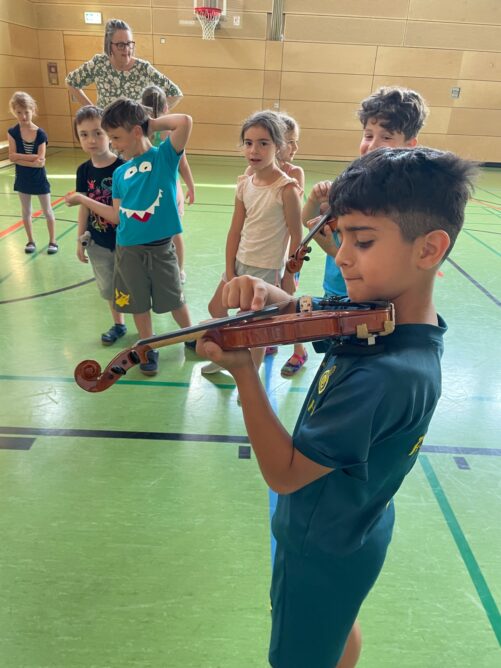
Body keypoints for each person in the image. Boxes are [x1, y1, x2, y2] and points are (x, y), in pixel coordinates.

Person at [197, 146, 477, 668]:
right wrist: (272, 295)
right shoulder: (386, 321)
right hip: (358, 528)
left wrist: (245, 372)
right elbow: (318, 313)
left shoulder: (384, 376)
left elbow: (284, 474)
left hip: (318, 545)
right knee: (337, 626)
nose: (342, 255)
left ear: (429, 249)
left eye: (362, 240)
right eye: (340, 235)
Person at [65, 98, 194, 375]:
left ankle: (191, 335)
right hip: (129, 250)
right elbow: (116, 215)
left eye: (116, 137)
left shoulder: (163, 157)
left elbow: (184, 122)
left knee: (175, 299)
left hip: (161, 250)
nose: (113, 144)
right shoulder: (120, 173)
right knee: (137, 303)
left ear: (136, 132)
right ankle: (148, 346)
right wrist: (84, 200)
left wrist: (149, 124)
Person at [303, 86, 429, 300]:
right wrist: (314, 200)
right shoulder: (352, 183)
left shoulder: (401, 201)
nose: (372, 146)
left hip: (368, 300)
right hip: (334, 292)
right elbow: (309, 220)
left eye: (386, 137)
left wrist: (332, 250)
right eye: (368, 135)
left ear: (409, 145)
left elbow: (383, 268)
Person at [201, 110, 302, 377]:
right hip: (240, 262)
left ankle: (251, 377)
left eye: (263, 143)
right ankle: (225, 355)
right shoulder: (245, 184)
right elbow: (235, 231)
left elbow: (297, 236)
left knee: (256, 329)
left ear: (278, 146)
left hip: (266, 269)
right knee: (216, 308)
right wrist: (230, 269)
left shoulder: (287, 189)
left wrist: (289, 275)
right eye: (248, 143)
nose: (254, 150)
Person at [72, 105, 126, 345]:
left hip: (126, 241)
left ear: (109, 134)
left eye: (97, 133)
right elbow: (84, 207)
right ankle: (119, 324)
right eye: (84, 134)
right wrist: (80, 239)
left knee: (132, 286)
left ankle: (145, 327)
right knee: (108, 287)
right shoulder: (83, 171)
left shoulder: (122, 167)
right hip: (99, 242)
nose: (91, 140)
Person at [141, 85, 195, 284]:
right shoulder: (168, 132)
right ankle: (179, 270)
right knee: (174, 231)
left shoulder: (143, 131)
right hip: (169, 186)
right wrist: (191, 186)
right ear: (166, 108)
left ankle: (161, 269)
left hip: (150, 187)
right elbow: (183, 163)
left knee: (152, 228)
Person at [66, 18, 182, 110]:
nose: (126, 49)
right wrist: (93, 111)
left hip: (134, 130)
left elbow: (175, 93)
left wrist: (151, 115)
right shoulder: (99, 64)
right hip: (107, 129)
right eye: (120, 45)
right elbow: (71, 82)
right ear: (109, 45)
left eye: (129, 44)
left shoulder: (143, 68)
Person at [7, 91, 58, 254]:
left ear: (32, 110)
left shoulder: (40, 133)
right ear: (14, 112)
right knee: (26, 211)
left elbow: (40, 162)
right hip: (22, 179)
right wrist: (31, 158)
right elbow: (11, 156)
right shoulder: (12, 132)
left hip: (39, 179)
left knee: (47, 211)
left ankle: (53, 241)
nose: (23, 116)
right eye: (19, 112)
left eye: (26, 112)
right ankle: (30, 240)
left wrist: (19, 158)